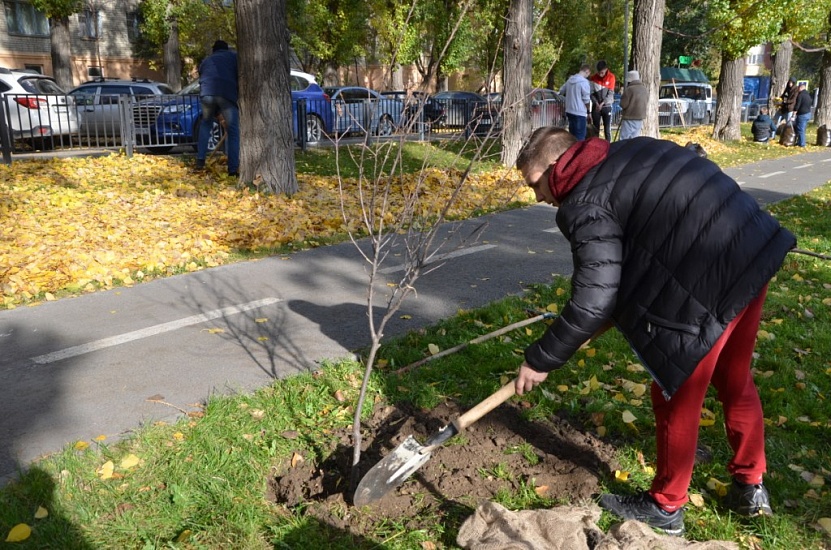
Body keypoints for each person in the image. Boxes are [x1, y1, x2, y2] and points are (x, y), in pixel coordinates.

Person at [515, 127, 796, 536]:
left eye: (536, 184)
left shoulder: (583, 203)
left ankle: (665, 506)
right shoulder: (631, 149)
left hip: (706, 280)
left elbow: (594, 297)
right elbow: (636, 254)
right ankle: (750, 487)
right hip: (750, 249)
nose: (539, 197)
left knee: (674, 388)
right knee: (734, 378)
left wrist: (540, 359)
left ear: (557, 167)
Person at [195, 40, 240, 177]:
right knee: (233, 131)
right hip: (226, 94)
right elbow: (239, 75)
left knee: (205, 124)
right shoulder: (233, 57)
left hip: (206, 93)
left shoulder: (207, 60)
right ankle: (232, 169)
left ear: (214, 50)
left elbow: (202, 76)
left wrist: (216, 113)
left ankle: (200, 161)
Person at [559, 64, 592, 140]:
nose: (588, 76)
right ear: (587, 71)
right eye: (588, 74)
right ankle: (579, 151)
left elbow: (561, 90)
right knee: (580, 137)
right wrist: (589, 112)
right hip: (580, 112)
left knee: (572, 136)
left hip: (569, 111)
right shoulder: (584, 82)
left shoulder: (570, 80)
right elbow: (586, 100)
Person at [589, 61, 616, 141]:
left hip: (606, 106)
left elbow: (610, 94)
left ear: (606, 69)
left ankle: (608, 145)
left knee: (607, 128)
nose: (600, 74)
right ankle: (596, 147)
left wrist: (603, 103)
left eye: (602, 72)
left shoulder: (611, 77)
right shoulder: (593, 78)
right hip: (596, 106)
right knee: (595, 128)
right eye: (598, 72)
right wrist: (596, 103)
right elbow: (591, 93)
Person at [618, 70, 647, 140]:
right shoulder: (644, 89)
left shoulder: (629, 89)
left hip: (629, 117)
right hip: (640, 117)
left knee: (624, 138)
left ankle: (623, 151)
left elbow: (623, 104)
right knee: (635, 139)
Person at [792, 82, 812, 148]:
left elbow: (797, 105)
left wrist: (794, 112)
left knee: (800, 129)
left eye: (798, 88)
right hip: (808, 114)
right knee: (802, 129)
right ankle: (799, 142)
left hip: (802, 114)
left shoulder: (801, 95)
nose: (797, 89)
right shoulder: (808, 95)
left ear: (800, 88)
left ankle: (802, 144)